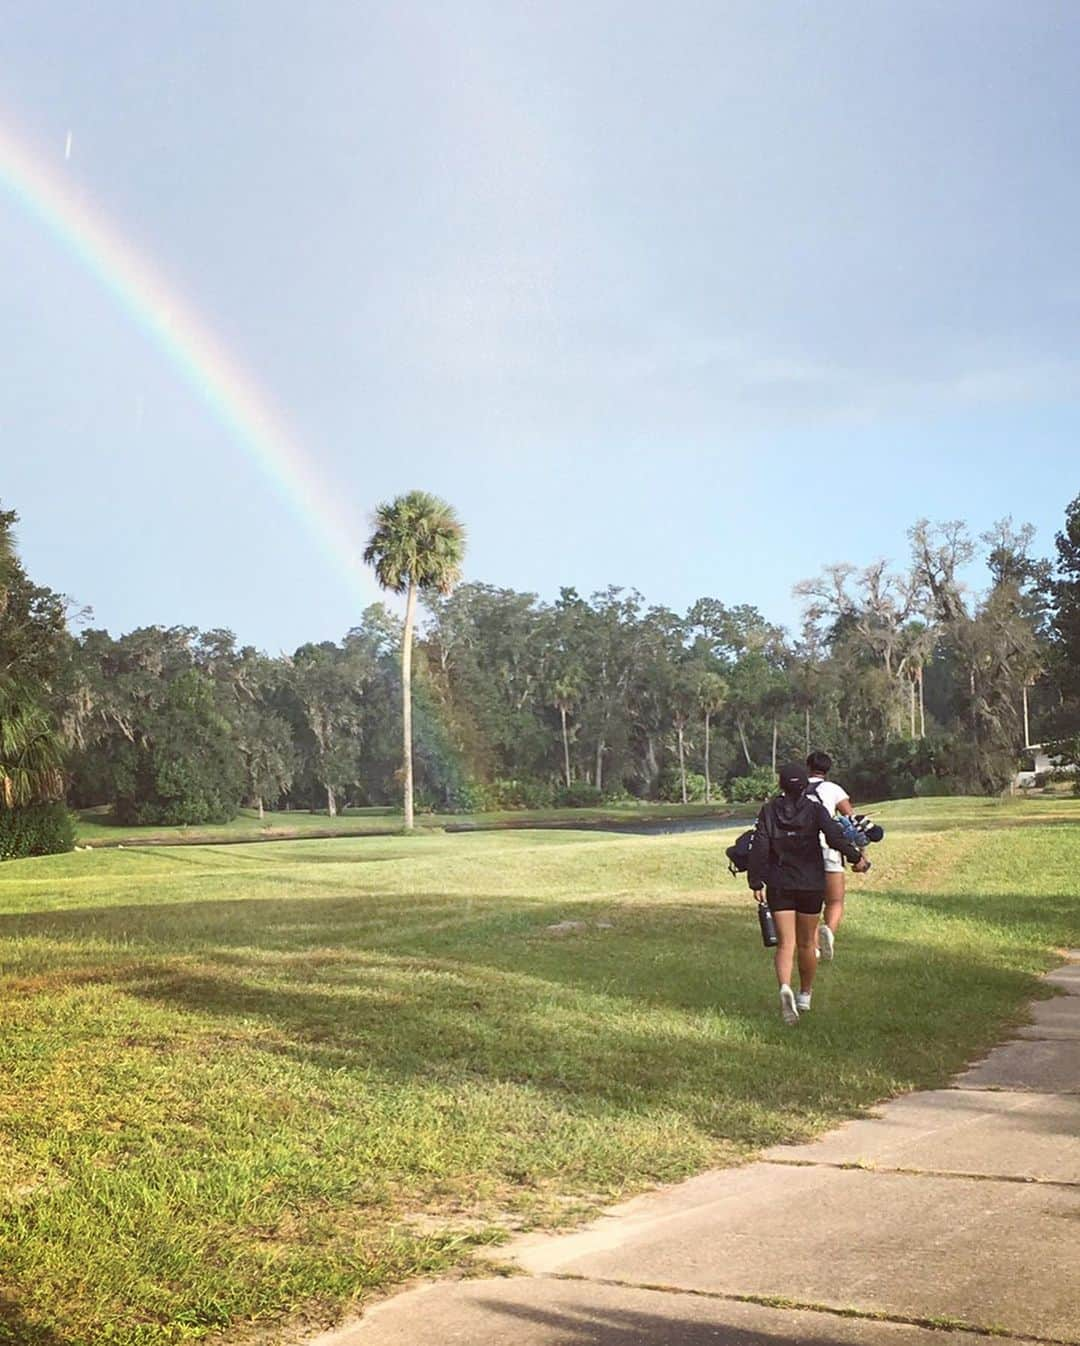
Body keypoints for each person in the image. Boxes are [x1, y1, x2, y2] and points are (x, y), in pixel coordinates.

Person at [747, 762, 868, 1025]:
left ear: (780, 785)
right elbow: (835, 837)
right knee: (805, 943)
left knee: (785, 943)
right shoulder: (815, 810)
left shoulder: (768, 811)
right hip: (811, 883)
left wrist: (756, 882)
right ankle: (804, 995)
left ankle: (784, 987)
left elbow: (759, 847)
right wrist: (857, 857)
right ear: (805, 786)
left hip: (779, 883)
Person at [806, 751, 855, 962]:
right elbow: (850, 818)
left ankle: (814, 947)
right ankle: (830, 933)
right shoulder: (834, 789)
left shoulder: (794, 788)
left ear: (808, 766)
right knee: (835, 901)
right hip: (829, 847)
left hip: (802, 851)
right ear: (828, 769)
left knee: (809, 903)